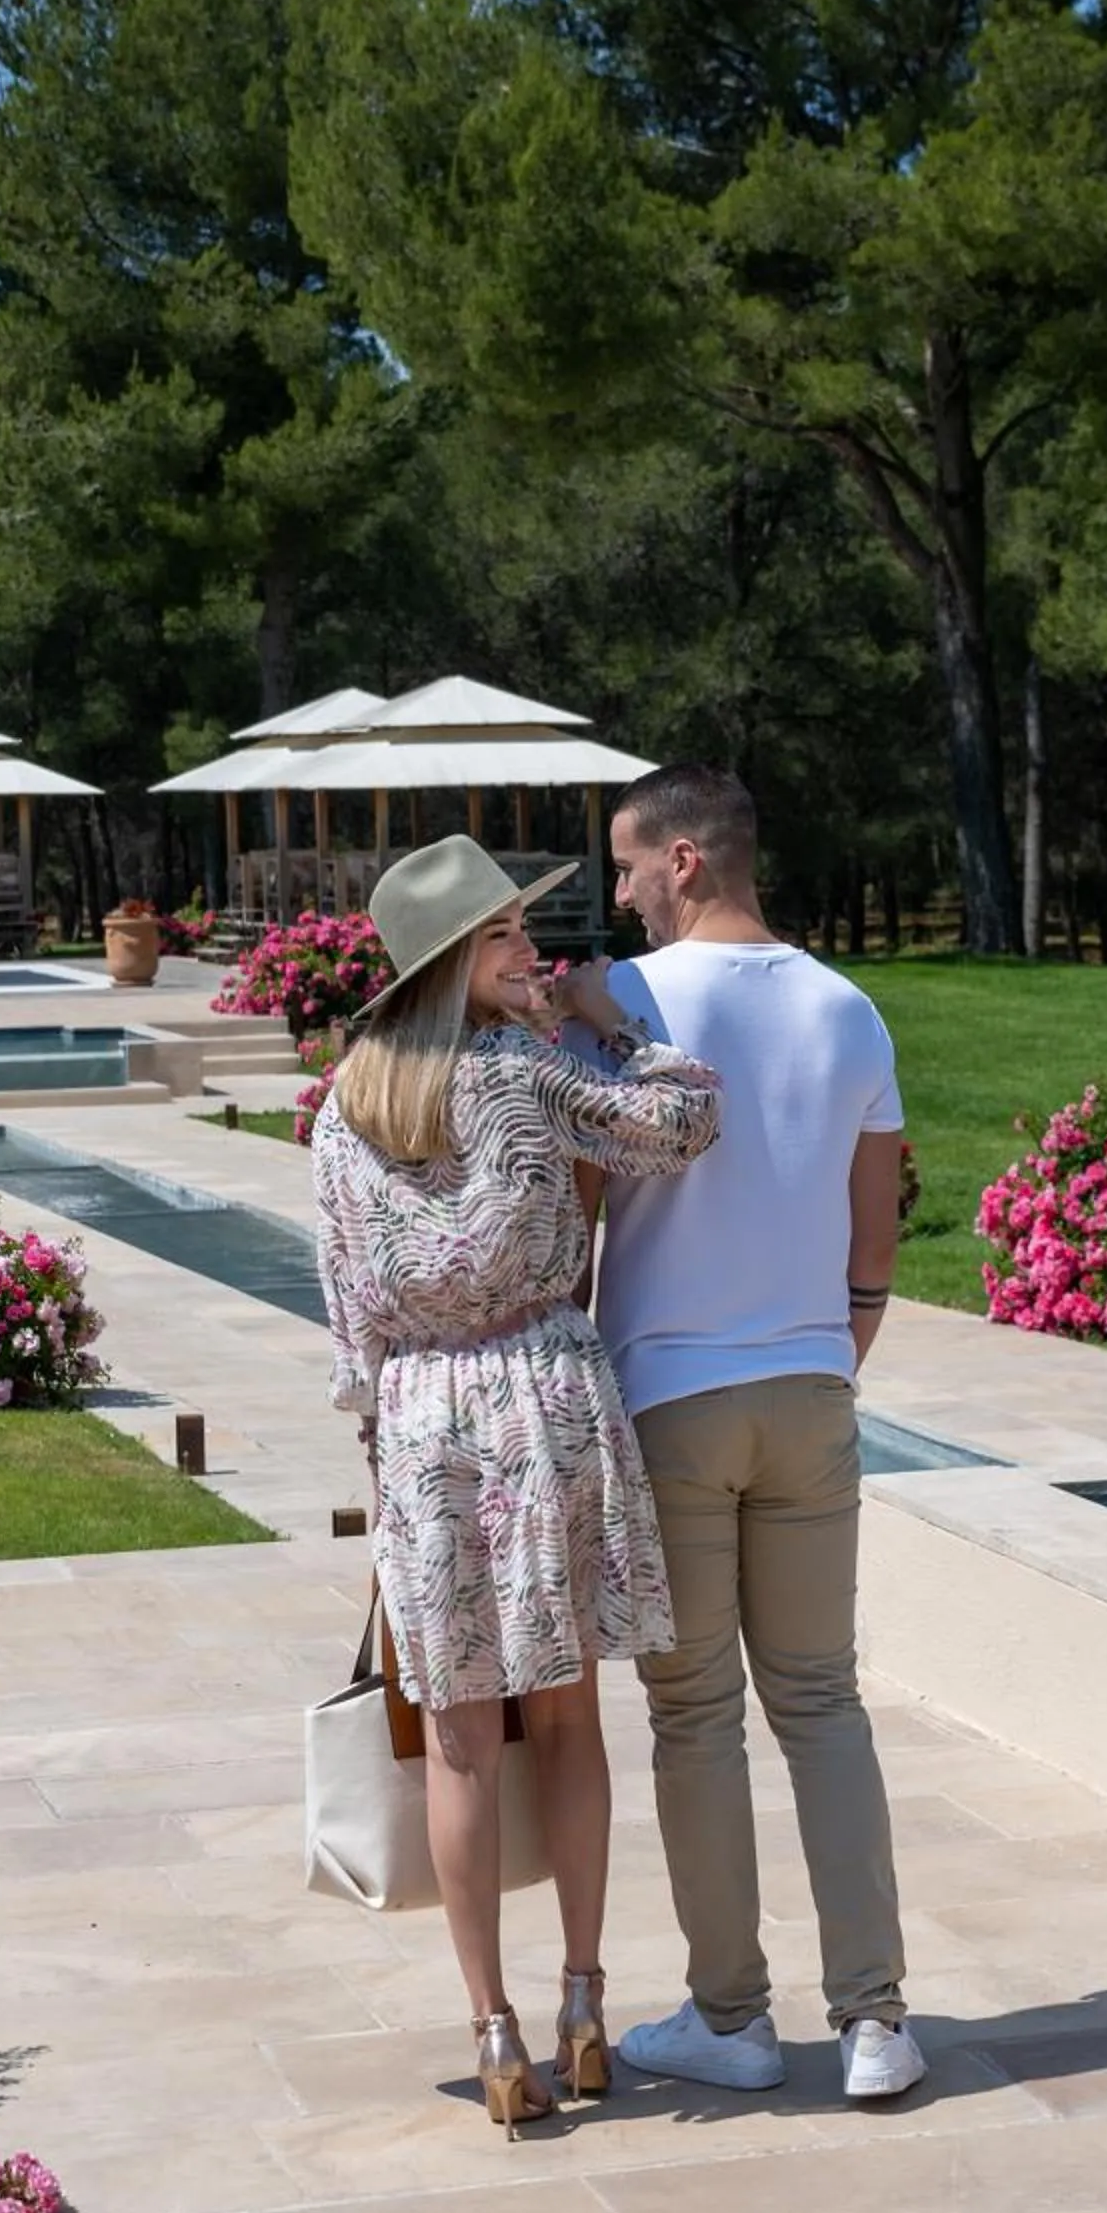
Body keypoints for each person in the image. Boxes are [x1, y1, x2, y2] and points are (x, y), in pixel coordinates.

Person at [310, 834, 722, 2135]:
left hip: (428, 1417)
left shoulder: (342, 1111)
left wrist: (384, 1454)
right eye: (503, 938)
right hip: (543, 1398)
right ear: (452, 962)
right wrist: (610, 1027)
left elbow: (349, 1320)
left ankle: (491, 2030)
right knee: (565, 1722)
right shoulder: (527, 1077)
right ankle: (584, 2007)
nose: (530, 953)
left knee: (463, 1743)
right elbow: (688, 1120)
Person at [584, 765, 926, 2103]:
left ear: (684, 860)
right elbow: (875, 1222)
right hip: (808, 1391)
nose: (616, 893)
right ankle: (876, 2023)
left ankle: (730, 2018)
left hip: (670, 1391)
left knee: (695, 1714)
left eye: (624, 866)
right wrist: (832, 1353)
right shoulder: (851, 1007)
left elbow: (571, 1188)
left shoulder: (629, 998)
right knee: (823, 1702)